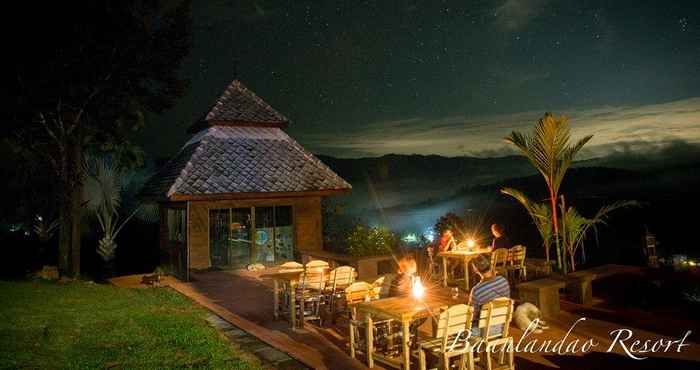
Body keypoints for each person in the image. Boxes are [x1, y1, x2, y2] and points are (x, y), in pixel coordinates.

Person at [468, 255, 510, 336]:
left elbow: (472, 315)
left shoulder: (477, 290)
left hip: (485, 330)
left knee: (457, 329)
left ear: (475, 269)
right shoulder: (503, 281)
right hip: (503, 326)